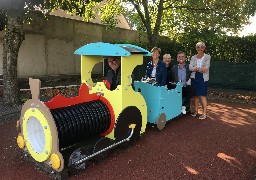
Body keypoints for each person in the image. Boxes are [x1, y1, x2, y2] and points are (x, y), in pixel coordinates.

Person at [189, 42, 211, 119]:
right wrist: (199, 69)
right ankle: (196, 111)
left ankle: (204, 114)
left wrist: (196, 68)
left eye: (201, 47)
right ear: (196, 48)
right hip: (194, 78)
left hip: (203, 78)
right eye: (198, 47)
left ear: (204, 48)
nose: (200, 48)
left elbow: (206, 69)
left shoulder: (207, 57)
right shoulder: (193, 57)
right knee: (195, 96)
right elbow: (190, 68)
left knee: (202, 96)